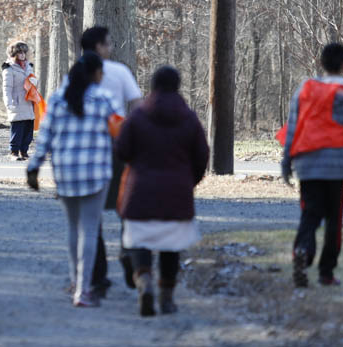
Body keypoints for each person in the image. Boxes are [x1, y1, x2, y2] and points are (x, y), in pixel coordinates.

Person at [280, 43, 343, 288]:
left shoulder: (305, 88)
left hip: (306, 163)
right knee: (334, 220)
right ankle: (326, 273)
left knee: (310, 214)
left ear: (321, 63)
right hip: (336, 165)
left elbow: (292, 128)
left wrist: (286, 162)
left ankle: (302, 251)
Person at [115, 65, 209, 317]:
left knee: (140, 240)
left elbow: (122, 150)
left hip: (140, 191)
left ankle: (144, 280)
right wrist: (189, 181)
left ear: (153, 86)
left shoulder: (138, 116)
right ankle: (166, 297)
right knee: (171, 245)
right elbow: (202, 156)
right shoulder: (189, 118)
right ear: (177, 85)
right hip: (176, 191)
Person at [26, 53, 114, 308]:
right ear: (95, 74)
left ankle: (76, 282)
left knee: (73, 229)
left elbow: (45, 138)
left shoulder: (56, 101)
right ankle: (84, 291)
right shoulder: (104, 100)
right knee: (89, 229)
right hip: (96, 174)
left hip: (65, 173)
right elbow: (120, 134)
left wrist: (33, 168)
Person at [79, 26, 142, 296]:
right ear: (99, 46)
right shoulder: (119, 71)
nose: (111, 48)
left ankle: (98, 275)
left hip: (87, 147)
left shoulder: (74, 74)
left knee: (92, 214)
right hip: (117, 144)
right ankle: (130, 255)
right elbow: (137, 105)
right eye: (108, 43)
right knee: (126, 203)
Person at [1, 41, 38, 161]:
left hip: (29, 102)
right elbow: (7, 88)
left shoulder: (29, 66)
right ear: (14, 54)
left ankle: (24, 151)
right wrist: (8, 103)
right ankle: (14, 152)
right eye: (19, 52)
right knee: (17, 129)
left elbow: (32, 81)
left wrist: (34, 82)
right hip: (16, 103)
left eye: (23, 52)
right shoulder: (9, 69)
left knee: (28, 130)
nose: (22, 55)